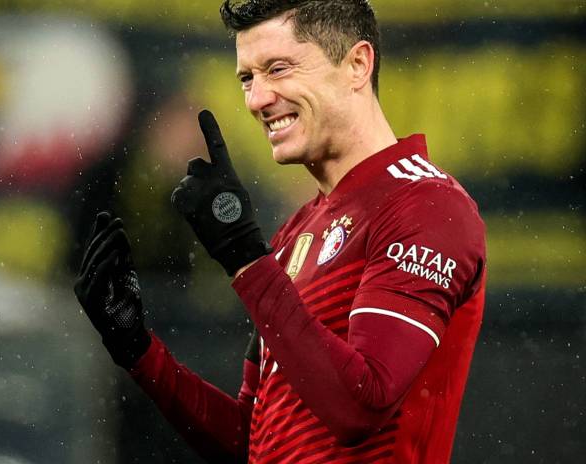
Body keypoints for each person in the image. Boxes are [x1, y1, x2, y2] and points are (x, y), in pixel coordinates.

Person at [74, 1, 486, 462]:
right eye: (247, 78)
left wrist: (245, 258)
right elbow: (252, 443)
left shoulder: (427, 206)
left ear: (357, 64)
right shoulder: (297, 231)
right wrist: (140, 351)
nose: (257, 100)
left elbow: (360, 407)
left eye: (278, 69)